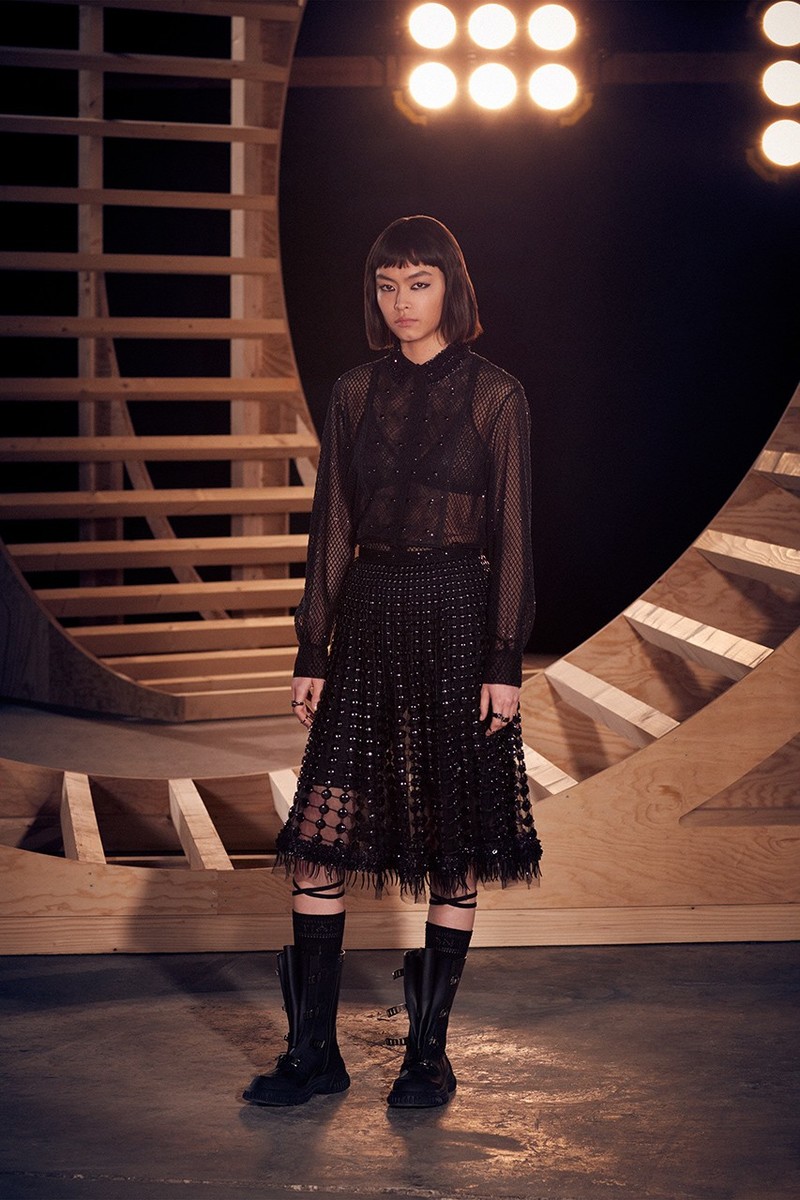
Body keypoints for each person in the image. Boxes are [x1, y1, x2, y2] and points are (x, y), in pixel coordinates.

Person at [243, 215, 541, 1110]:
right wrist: (313, 644)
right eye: (386, 284)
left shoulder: (497, 395)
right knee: (317, 840)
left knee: (454, 847)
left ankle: (427, 1055)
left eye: (419, 282)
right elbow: (331, 524)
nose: (402, 301)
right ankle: (314, 1053)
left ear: (451, 287)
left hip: (456, 616)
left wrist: (504, 659)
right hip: (368, 615)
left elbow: (513, 536)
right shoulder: (353, 392)